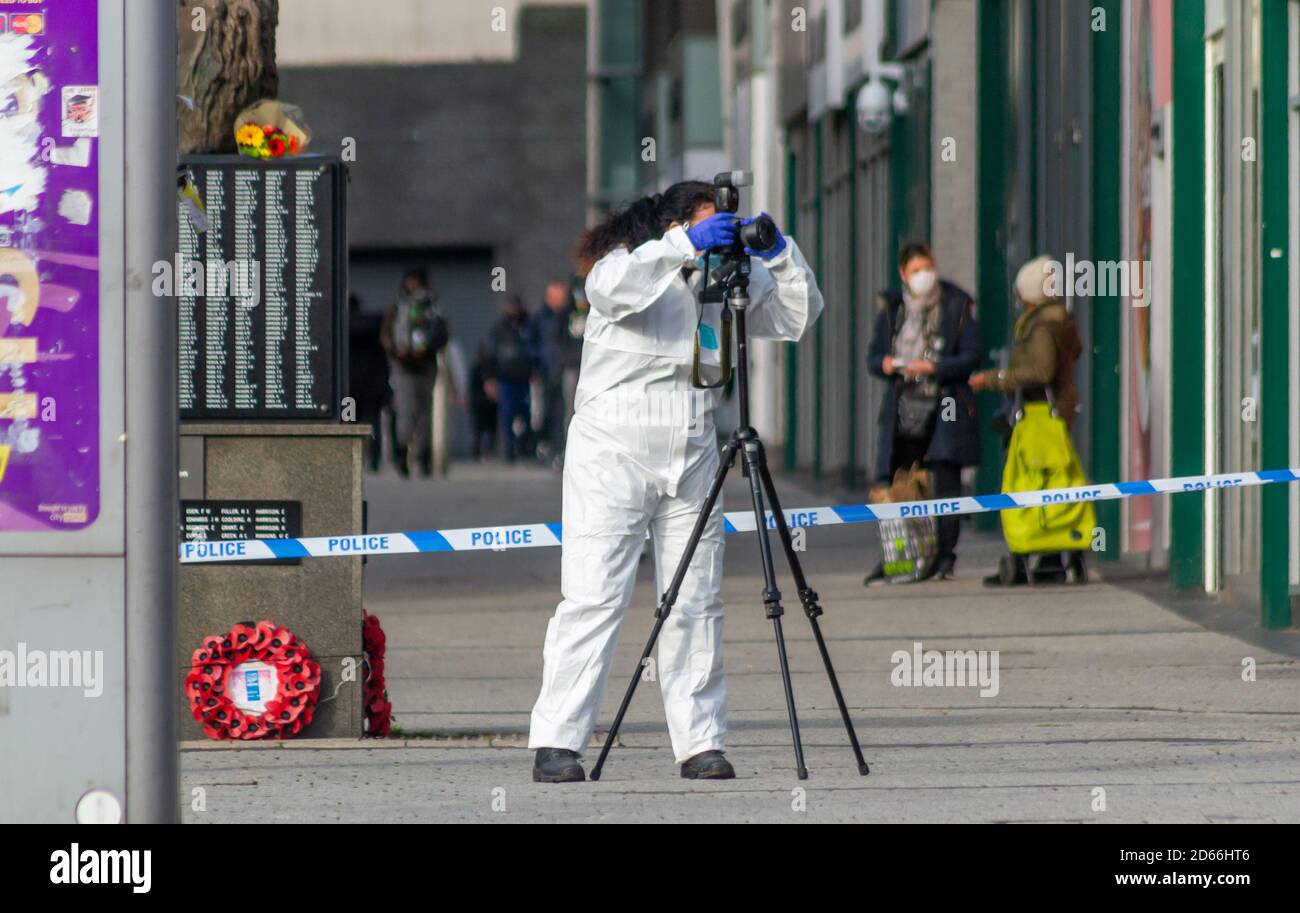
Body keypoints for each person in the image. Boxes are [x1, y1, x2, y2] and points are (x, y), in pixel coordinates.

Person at [528, 180, 822, 783]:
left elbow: (797, 317)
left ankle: (700, 743)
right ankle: (558, 741)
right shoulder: (630, 264)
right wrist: (681, 246)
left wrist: (779, 253)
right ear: (675, 225)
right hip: (614, 447)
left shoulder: (721, 280)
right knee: (593, 596)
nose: (718, 236)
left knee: (696, 600)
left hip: (690, 444)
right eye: (708, 224)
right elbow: (607, 292)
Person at [971, 255, 1092, 585]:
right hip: (1057, 411)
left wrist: (995, 378)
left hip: (1038, 412)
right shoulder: (1060, 318)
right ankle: (1057, 550)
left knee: (1028, 481)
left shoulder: (1041, 325)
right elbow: (1075, 352)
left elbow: (1040, 371)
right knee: (1058, 481)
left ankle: (1030, 547)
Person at [865, 242, 981, 583]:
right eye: (916, 271)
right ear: (904, 274)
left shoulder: (957, 306)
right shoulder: (892, 311)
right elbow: (873, 356)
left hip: (944, 402)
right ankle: (900, 554)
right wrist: (886, 364)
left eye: (927, 268)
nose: (924, 276)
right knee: (900, 480)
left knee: (945, 479)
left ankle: (945, 556)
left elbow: (972, 355)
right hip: (904, 407)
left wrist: (935, 367)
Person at [380, 268, 449, 477]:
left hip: (426, 364)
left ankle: (424, 457)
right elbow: (386, 335)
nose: (413, 286)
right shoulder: (398, 305)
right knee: (407, 411)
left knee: (424, 413)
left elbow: (443, 333)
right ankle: (403, 455)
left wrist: (428, 348)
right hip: (404, 366)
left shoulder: (433, 305)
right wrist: (396, 352)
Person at [529, 279, 585, 467]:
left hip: (585, 367)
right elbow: (551, 341)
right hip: (564, 369)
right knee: (565, 411)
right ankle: (563, 451)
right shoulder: (563, 315)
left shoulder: (589, 312)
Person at [483, 294, 535, 463]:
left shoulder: (529, 326)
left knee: (527, 415)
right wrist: (489, 378)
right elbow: (489, 355)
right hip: (505, 378)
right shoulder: (499, 328)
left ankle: (526, 448)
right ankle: (509, 450)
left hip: (525, 378)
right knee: (507, 414)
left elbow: (537, 349)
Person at [346, 293, 389, 472]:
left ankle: (350, 458)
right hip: (372, 387)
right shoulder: (374, 328)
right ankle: (374, 459)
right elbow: (383, 362)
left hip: (347, 388)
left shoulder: (341, 329)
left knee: (348, 423)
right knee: (373, 424)